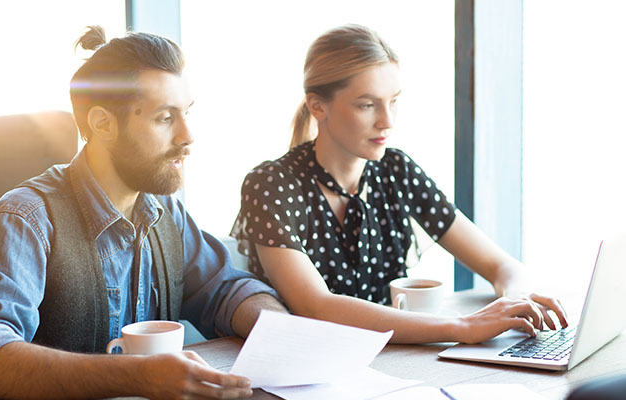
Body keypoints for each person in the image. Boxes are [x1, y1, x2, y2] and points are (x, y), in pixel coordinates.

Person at [0, 26, 286, 400]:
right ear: (103, 124)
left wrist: (283, 332)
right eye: (164, 118)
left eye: (187, 112)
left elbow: (226, 289)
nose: (188, 135)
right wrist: (136, 376)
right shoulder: (22, 221)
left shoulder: (163, 211)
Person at [231, 24, 568, 345]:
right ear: (317, 106)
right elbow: (316, 306)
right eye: (367, 105)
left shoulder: (396, 169)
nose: (387, 121)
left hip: (392, 359)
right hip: (307, 368)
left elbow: (503, 266)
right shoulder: (270, 184)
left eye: (393, 101)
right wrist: (464, 326)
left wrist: (517, 302)